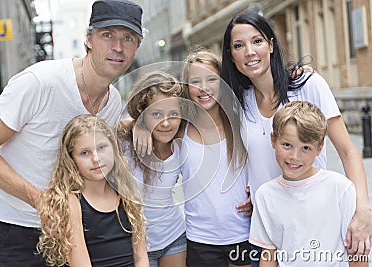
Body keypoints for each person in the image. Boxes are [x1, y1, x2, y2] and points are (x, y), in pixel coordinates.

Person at [0, 0, 143, 265]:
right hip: (14, 226)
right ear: (88, 38)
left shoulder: (112, 105)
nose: (118, 47)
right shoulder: (40, 82)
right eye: (107, 35)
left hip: (72, 231)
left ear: (136, 48)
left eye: (128, 38)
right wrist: (39, 201)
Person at [220, 12, 372, 258]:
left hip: (317, 222)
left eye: (257, 41)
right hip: (268, 228)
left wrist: (362, 209)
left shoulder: (307, 84)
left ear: (270, 45)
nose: (249, 51)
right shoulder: (238, 103)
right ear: (231, 55)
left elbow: (347, 151)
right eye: (239, 45)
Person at [249, 101, 368, 267]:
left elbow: (356, 253)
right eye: (287, 145)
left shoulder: (340, 188)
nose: (294, 157)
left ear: (319, 148)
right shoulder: (265, 195)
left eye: (305, 148)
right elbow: (269, 255)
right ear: (273, 140)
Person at [36, 114, 148, 267]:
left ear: (114, 148)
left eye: (101, 148)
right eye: (84, 153)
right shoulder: (71, 202)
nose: (95, 158)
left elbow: (141, 257)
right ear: (71, 159)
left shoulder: (125, 192)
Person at [177, 48, 251, 267]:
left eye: (211, 79)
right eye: (195, 81)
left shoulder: (242, 122)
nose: (204, 88)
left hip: (242, 234)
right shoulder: (179, 129)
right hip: (200, 240)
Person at [119, 71, 188, 267]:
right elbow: (94, 130)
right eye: (156, 114)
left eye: (173, 114)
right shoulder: (125, 142)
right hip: (133, 242)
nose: (165, 123)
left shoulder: (182, 143)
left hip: (173, 236)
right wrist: (136, 125)